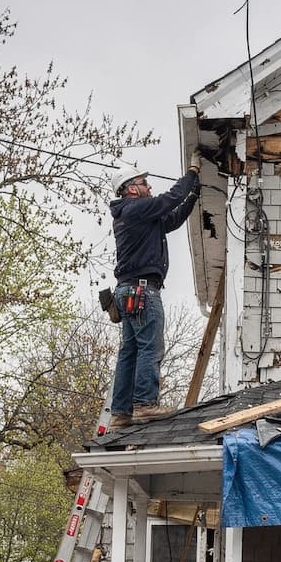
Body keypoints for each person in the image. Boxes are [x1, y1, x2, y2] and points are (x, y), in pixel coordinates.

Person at [107, 153, 202, 429]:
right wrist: (192, 173)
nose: (149, 187)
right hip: (142, 292)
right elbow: (169, 200)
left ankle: (121, 413)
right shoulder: (135, 208)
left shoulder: (135, 216)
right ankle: (145, 405)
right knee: (150, 346)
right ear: (131, 188)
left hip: (127, 292)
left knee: (130, 351)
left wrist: (193, 195)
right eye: (144, 183)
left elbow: (171, 218)